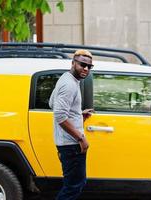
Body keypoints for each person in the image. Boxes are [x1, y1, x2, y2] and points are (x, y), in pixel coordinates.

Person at [49, 49, 94, 200]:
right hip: (71, 145)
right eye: (82, 64)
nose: (86, 69)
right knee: (73, 187)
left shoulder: (66, 79)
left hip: (67, 144)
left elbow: (52, 104)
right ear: (73, 63)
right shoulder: (69, 84)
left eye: (89, 66)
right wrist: (81, 138)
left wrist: (79, 116)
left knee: (75, 184)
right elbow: (60, 115)